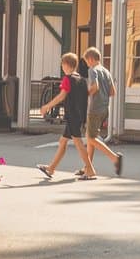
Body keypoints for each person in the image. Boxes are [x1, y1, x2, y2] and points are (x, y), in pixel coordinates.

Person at [36, 52, 96, 181]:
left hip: (72, 116)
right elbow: (84, 97)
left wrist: (46, 106)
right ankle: (51, 168)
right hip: (78, 115)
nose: (62, 66)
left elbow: (62, 96)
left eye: (62, 64)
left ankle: (90, 170)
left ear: (65, 65)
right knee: (63, 141)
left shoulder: (68, 79)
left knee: (78, 143)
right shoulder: (80, 79)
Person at [80, 47, 123, 178]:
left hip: (94, 108)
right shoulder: (106, 71)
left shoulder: (92, 70)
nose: (87, 64)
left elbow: (95, 86)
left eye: (86, 61)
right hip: (105, 108)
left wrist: (85, 95)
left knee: (91, 138)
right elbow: (113, 92)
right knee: (90, 138)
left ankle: (115, 158)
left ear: (91, 59)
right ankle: (87, 167)